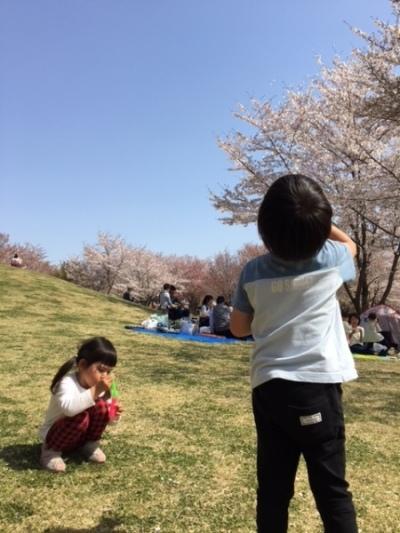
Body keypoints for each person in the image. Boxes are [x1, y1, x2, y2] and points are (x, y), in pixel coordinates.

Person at [230, 174, 358, 532]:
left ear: (263, 228)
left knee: (272, 490)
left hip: (270, 387)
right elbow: (352, 245)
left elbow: (238, 329)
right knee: (332, 490)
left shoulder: (252, 271)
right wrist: (321, 226)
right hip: (319, 385)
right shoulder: (332, 258)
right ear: (320, 227)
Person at [39, 337, 121, 473]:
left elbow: (109, 420)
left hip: (79, 438)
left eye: (109, 371)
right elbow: (69, 410)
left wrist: (114, 414)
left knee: (101, 407)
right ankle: (50, 452)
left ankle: (89, 446)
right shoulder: (66, 383)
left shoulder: (100, 388)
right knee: (80, 416)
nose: (105, 376)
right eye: (101, 370)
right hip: (55, 437)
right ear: (82, 365)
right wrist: (96, 391)